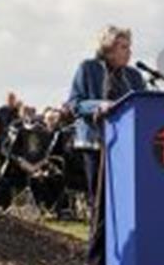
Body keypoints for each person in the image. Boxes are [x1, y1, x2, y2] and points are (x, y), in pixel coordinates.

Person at [66, 25, 146, 265]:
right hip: (96, 146)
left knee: (127, 209)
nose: (129, 52)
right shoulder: (87, 68)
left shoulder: (134, 76)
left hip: (127, 150)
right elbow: (74, 104)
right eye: (123, 47)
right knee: (101, 211)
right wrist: (97, 106)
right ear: (108, 48)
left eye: (129, 47)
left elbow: (143, 105)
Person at [0, 92, 20, 160]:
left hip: (14, 140)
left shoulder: (17, 112)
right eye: (9, 99)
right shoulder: (1, 110)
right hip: (3, 138)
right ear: (6, 100)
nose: (11, 100)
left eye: (13, 99)